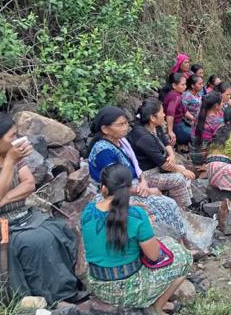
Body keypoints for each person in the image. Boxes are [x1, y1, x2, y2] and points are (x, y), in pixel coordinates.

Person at [0, 111, 80, 304]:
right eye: (12, 135)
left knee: (58, 228)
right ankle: (45, 298)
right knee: (33, 242)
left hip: (15, 214)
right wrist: (10, 161)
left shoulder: (9, 152)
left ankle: (67, 288)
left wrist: (3, 201)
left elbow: (29, 184)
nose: (17, 139)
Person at [81, 163, 192, 313]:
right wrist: (147, 225)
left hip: (97, 285)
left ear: (103, 188)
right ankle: (157, 308)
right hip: (128, 289)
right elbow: (154, 256)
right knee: (183, 256)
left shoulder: (88, 211)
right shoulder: (136, 215)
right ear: (129, 188)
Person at [88, 107, 186, 237]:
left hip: (134, 184)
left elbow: (136, 167)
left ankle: (180, 238)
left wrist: (143, 182)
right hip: (116, 194)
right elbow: (114, 185)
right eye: (120, 124)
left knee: (166, 202)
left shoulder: (121, 141)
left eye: (126, 123)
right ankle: (170, 241)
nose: (125, 127)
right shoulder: (104, 151)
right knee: (165, 205)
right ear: (105, 129)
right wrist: (148, 191)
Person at [128, 99, 196, 209]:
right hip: (145, 175)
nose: (164, 115)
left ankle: (187, 202)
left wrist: (172, 155)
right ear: (152, 118)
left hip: (157, 167)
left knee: (182, 170)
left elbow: (166, 142)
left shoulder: (155, 126)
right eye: (162, 112)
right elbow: (164, 165)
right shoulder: (143, 137)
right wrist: (182, 171)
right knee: (179, 177)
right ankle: (181, 208)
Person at [159, 72, 191, 149]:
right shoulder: (175, 96)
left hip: (180, 124)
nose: (185, 87)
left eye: (185, 84)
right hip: (177, 127)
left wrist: (193, 118)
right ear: (174, 85)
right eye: (182, 85)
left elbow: (184, 110)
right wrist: (170, 131)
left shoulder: (175, 94)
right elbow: (170, 113)